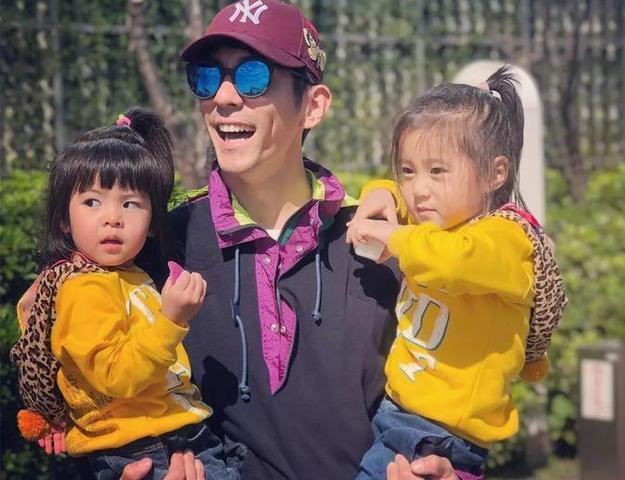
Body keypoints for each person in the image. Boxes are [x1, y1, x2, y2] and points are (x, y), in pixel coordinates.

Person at [127, 1, 478, 479]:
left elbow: (457, 389)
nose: (223, 97)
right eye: (207, 77)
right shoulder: (162, 241)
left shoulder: (386, 243)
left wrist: (451, 472)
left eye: (252, 77)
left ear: (313, 106)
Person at [345, 67, 567, 478]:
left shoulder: (507, 239)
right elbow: (401, 206)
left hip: (437, 431)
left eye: (437, 171)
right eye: (408, 170)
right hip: (403, 413)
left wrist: (395, 236)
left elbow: (451, 259)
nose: (418, 189)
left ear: (496, 173)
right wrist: (381, 191)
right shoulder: (444, 220)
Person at [10, 108, 240, 480]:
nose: (113, 217)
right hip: (143, 445)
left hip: (169, 433)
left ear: (152, 222)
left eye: (130, 203)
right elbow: (115, 376)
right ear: (64, 219)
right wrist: (171, 320)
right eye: (92, 202)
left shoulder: (128, 276)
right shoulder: (82, 289)